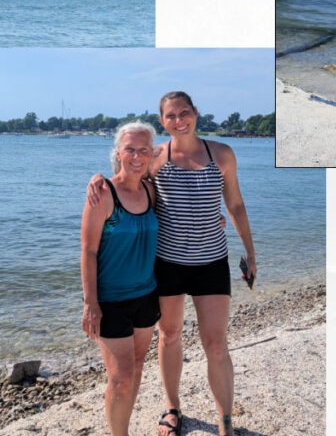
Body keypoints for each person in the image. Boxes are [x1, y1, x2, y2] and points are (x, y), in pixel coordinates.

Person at [88, 92, 258, 436]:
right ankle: (172, 408)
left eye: (184, 112)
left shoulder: (221, 154)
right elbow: (126, 178)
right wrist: (96, 179)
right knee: (170, 334)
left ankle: (226, 422)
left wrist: (250, 252)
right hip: (166, 263)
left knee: (215, 342)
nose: (179, 120)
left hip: (211, 261)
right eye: (170, 115)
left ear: (196, 113)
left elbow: (236, 204)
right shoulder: (156, 157)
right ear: (162, 121)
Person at [81, 121, 162, 436]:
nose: (137, 156)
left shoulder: (150, 189)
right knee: (120, 377)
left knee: (137, 367)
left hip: (146, 296)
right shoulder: (103, 192)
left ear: (151, 154)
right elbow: (88, 252)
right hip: (111, 300)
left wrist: (214, 216)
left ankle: (123, 427)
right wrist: (90, 303)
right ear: (118, 152)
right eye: (130, 149)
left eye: (144, 150)